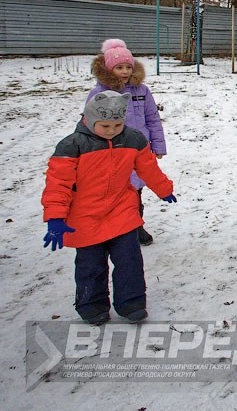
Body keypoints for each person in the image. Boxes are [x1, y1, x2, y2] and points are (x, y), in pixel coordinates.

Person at [40, 90, 177, 324]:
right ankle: (92, 304)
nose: (112, 130)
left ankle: (131, 302)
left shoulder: (132, 139)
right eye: (105, 126)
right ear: (90, 119)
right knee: (90, 265)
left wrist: (163, 189)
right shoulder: (72, 145)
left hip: (121, 210)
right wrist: (55, 217)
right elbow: (58, 185)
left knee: (129, 260)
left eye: (117, 124)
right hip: (85, 217)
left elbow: (148, 169)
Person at [88, 39, 167, 246]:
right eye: (119, 67)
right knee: (118, 190)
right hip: (111, 151)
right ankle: (118, 226)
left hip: (139, 150)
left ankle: (136, 225)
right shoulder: (99, 94)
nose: (124, 72)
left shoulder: (141, 91)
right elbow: (89, 123)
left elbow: (152, 119)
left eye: (128, 67)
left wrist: (157, 145)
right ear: (108, 68)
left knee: (137, 190)